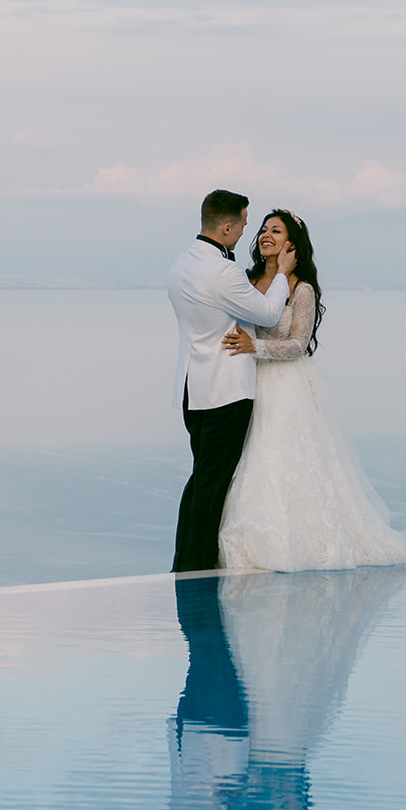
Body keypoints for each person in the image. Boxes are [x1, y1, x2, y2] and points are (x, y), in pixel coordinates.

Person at [217, 210, 406, 572]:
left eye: (276, 230)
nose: (266, 235)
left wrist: (255, 347)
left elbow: (299, 344)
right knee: (249, 461)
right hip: (250, 382)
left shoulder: (302, 289)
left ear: (292, 244)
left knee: (284, 459)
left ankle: (297, 541)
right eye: (263, 230)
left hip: (288, 387)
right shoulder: (249, 280)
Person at [168, 190, 298, 573]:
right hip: (225, 389)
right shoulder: (222, 273)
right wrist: (282, 275)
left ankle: (184, 558)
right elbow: (270, 314)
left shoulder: (180, 265)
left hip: (192, 387)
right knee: (213, 483)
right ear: (225, 227)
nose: (246, 232)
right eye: (242, 224)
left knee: (200, 478)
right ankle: (197, 564)